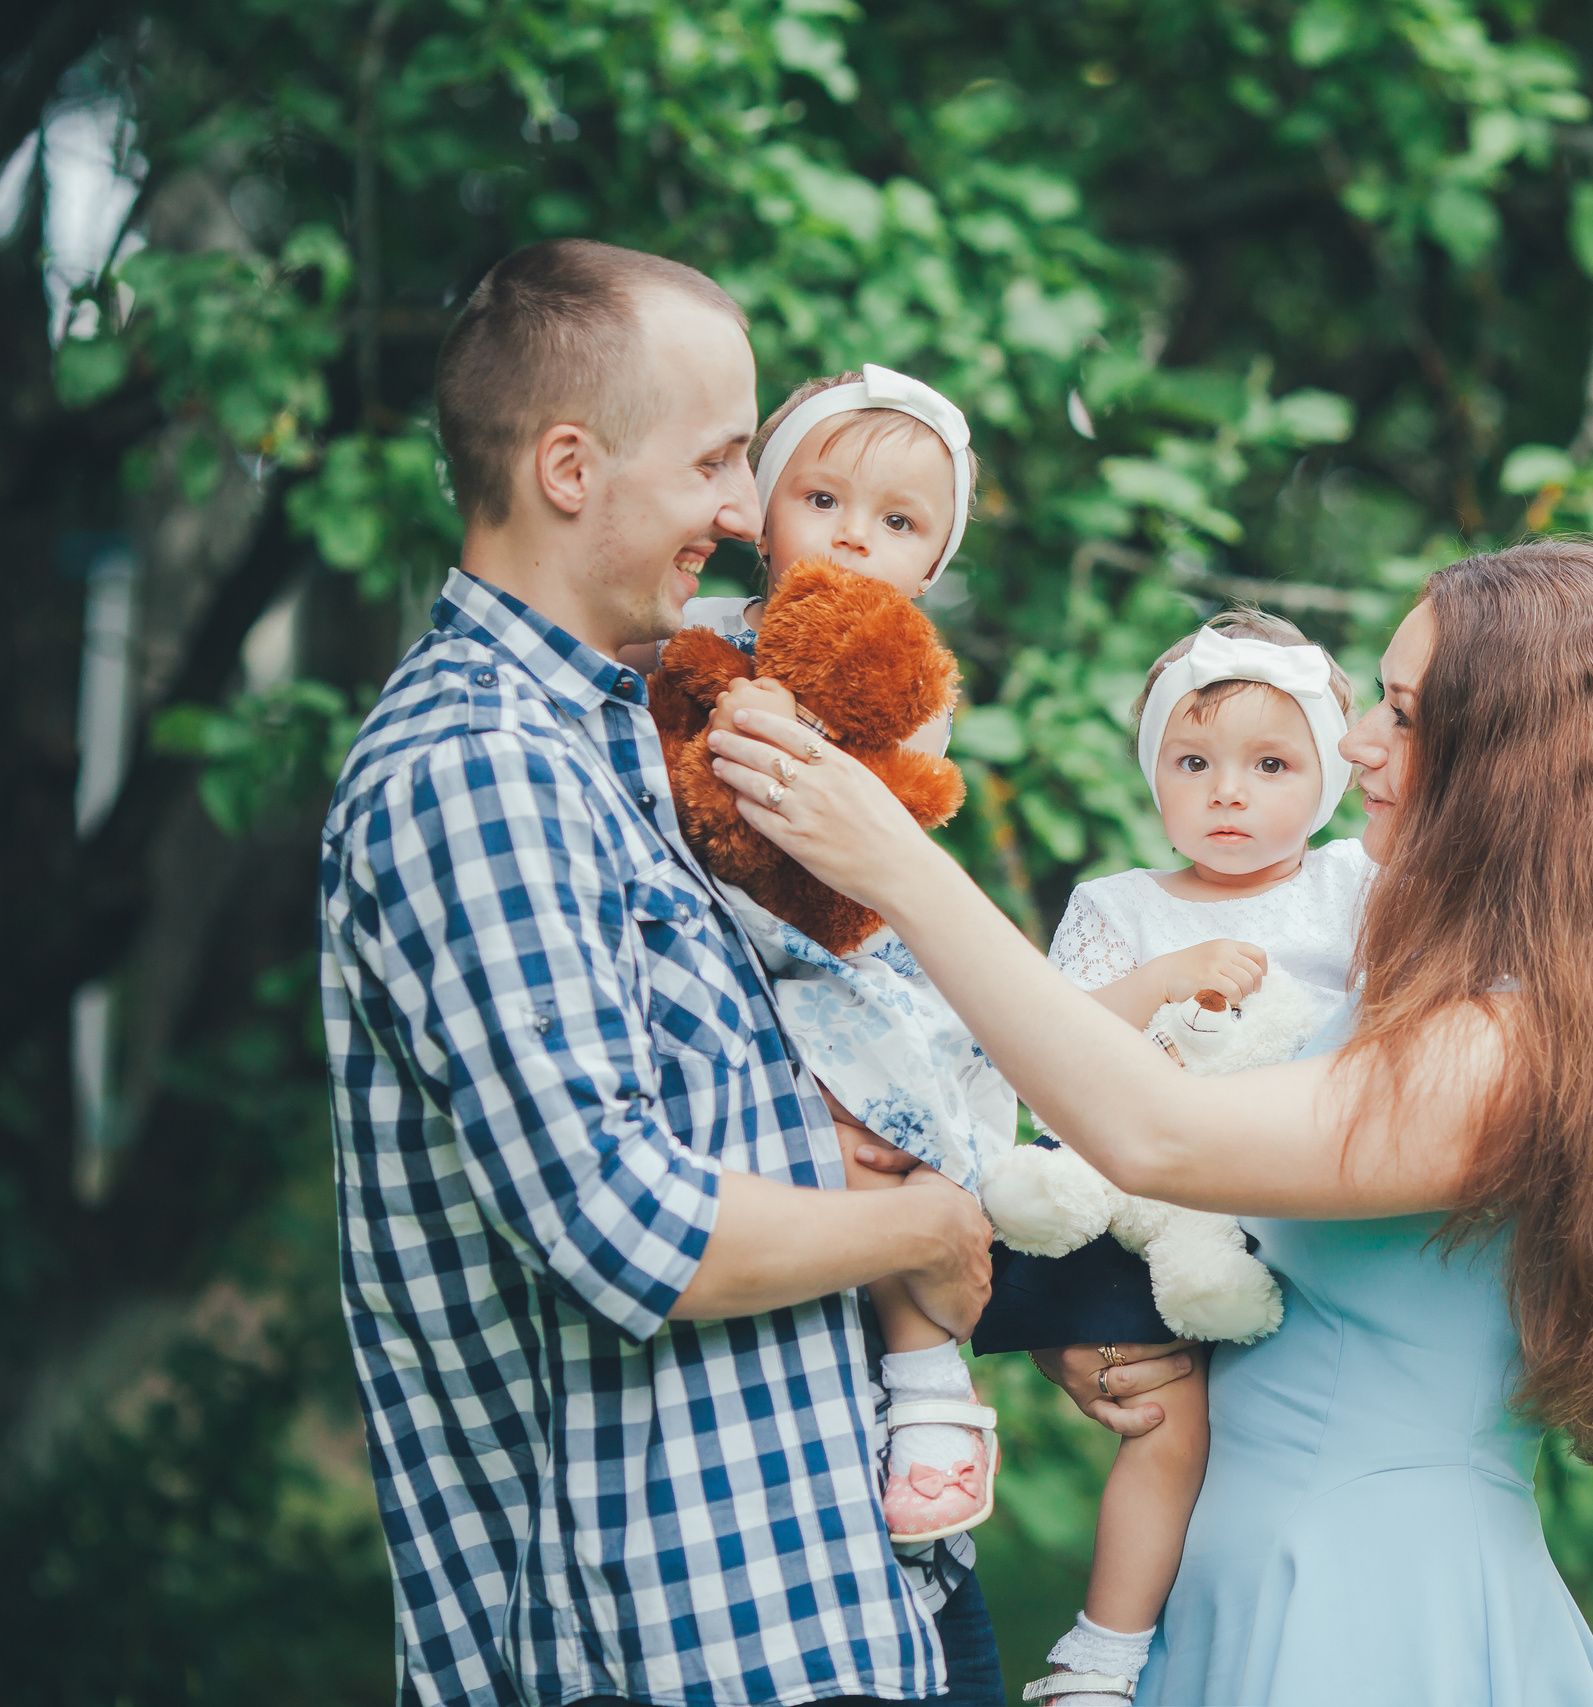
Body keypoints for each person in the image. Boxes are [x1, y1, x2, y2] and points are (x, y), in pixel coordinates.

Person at [703, 538, 1593, 1704]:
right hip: (1261, 1570)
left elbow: (1160, 1135)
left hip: (1367, 1611)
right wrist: (1109, 1326)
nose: (1357, 739)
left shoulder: (1507, 1050)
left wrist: (899, 868)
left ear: (1517, 767)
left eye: (1403, 717)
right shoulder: (1430, 993)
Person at [318, 238, 1000, 1707]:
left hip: (846, 1595)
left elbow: (829, 1088)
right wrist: (920, 1230)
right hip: (674, 1644)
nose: (747, 512)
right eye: (716, 463)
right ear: (570, 465)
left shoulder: (647, 728)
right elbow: (626, 1218)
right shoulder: (476, 770)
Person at [663, 364, 1016, 1548]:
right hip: (728, 947)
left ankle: (929, 1395)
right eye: (822, 499)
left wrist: (784, 726)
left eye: (900, 522)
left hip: (836, 949)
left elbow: (886, 789)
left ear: (930, 564)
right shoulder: (700, 637)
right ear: (759, 512)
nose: (855, 535)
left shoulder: (905, 673)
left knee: (878, 1137)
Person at [1005, 609, 1368, 1705]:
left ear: (1327, 780)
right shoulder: (1122, 906)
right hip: (1155, 1202)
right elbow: (1054, 1047)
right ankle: (1100, 1656)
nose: (1227, 792)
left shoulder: (1351, 888)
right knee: (1170, 1423)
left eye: (1269, 765)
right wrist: (1163, 981)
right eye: (1193, 761)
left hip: (1308, 1194)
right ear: (1153, 771)